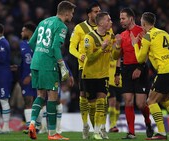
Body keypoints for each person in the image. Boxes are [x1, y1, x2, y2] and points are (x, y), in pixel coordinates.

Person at [131, 12, 169, 140]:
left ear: (144, 23)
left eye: (141, 21)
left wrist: (135, 44)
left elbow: (140, 58)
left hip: (166, 71)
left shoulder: (148, 36)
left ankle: (161, 133)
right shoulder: (164, 33)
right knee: (165, 100)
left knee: (151, 101)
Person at [27, 1, 76, 140]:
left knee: (40, 95)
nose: (72, 15)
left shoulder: (44, 22)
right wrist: (62, 66)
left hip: (35, 63)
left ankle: (31, 124)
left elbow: (31, 42)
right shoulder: (61, 26)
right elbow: (55, 47)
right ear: (66, 12)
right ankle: (52, 133)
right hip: (49, 65)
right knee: (52, 97)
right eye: (71, 13)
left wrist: (39, 54)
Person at [112, 8, 153, 139]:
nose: (121, 21)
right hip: (126, 69)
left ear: (131, 18)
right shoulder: (122, 35)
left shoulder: (142, 31)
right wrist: (117, 73)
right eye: (120, 18)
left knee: (141, 104)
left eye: (123, 18)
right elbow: (118, 56)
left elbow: (147, 52)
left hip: (140, 68)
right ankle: (131, 132)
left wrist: (140, 68)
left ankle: (147, 122)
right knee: (128, 101)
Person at [69, 2, 101, 139]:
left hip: (100, 69)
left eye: (99, 11)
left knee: (95, 100)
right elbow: (71, 48)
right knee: (83, 95)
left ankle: (97, 129)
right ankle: (84, 125)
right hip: (85, 67)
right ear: (89, 14)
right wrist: (80, 56)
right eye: (95, 12)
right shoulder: (80, 27)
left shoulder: (104, 27)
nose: (98, 14)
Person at [82, 12, 114, 139]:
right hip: (89, 75)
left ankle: (97, 131)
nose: (111, 22)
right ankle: (92, 128)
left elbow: (113, 56)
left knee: (102, 101)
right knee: (92, 106)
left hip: (104, 74)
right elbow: (89, 58)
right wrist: (102, 48)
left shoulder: (110, 35)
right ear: (101, 23)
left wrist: (117, 48)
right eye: (108, 20)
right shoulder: (89, 37)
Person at [19, 23, 38, 132]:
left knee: (38, 100)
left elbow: (39, 60)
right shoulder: (22, 44)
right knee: (28, 100)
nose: (22, 33)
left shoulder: (37, 43)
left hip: (36, 76)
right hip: (25, 78)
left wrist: (31, 75)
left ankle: (40, 126)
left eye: (23, 31)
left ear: (28, 32)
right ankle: (29, 126)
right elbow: (22, 61)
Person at [107, 59, 123, 133]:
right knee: (112, 102)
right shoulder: (108, 54)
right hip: (110, 83)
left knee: (117, 105)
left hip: (119, 84)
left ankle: (114, 125)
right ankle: (112, 125)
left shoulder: (120, 58)